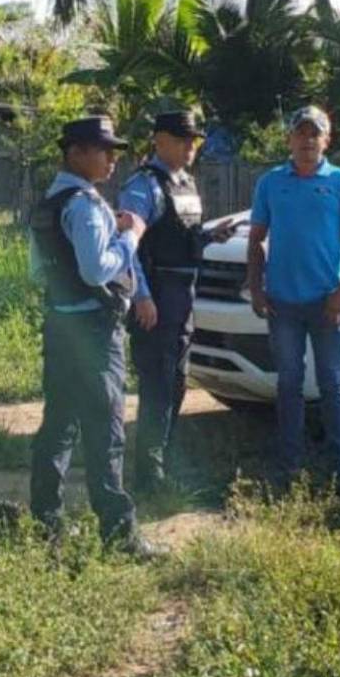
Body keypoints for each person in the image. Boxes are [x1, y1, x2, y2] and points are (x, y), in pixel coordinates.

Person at [28, 115, 166, 559]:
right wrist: (131, 237)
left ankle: (46, 523)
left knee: (58, 427)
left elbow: (38, 271)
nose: (112, 159)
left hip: (61, 326)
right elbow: (96, 268)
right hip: (93, 330)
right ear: (77, 153)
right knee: (105, 433)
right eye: (104, 150)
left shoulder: (48, 203)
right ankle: (119, 535)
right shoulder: (85, 205)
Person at [247, 106, 340, 496]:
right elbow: (256, 239)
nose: (307, 141)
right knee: (289, 384)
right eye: (300, 134)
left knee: (333, 385)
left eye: (314, 134)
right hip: (282, 304)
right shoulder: (270, 183)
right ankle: (290, 466)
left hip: (326, 302)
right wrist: (256, 286)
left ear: (327, 140)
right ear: (289, 140)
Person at [118, 110, 234, 492]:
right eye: (183, 139)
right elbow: (127, 248)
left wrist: (209, 237)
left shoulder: (185, 183)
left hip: (183, 296)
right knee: (157, 385)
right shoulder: (143, 186)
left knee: (177, 383)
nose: (191, 147)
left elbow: (182, 237)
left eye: (194, 140)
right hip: (157, 296)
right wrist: (142, 298)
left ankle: (162, 461)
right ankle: (148, 476)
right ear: (159, 141)